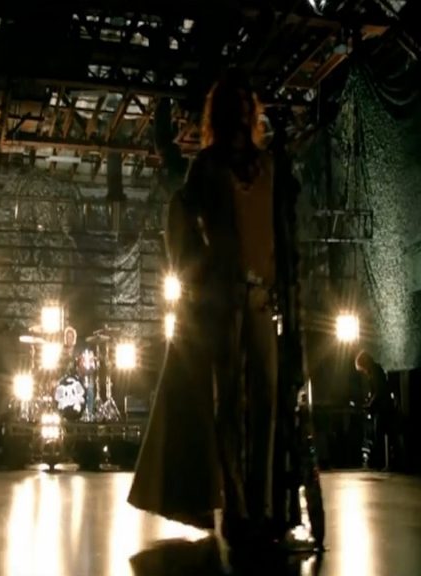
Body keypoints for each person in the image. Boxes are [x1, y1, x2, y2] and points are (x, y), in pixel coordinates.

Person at [128, 72, 279, 572]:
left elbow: (277, 229)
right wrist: (197, 275)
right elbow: (180, 218)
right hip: (222, 302)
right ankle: (237, 507)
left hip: (260, 300)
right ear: (223, 113)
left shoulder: (266, 166)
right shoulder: (207, 166)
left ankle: (262, 505)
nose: (243, 113)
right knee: (229, 407)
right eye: (235, 105)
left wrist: (282, 282)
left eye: (247, 104)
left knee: (266, 403)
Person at [355, 350, 396, 470]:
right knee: (384, 434)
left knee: (380, 434)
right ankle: (387, 461)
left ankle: (382, 462)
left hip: (383, 408)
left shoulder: (375, 372)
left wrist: (370, 404)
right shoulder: (376, 371)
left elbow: (379, 391)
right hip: (383, 406)